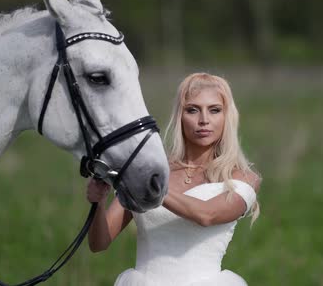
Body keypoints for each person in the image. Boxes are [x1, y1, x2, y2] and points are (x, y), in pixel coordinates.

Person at [86, 72, 261, 286]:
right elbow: (99, 243)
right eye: (192, 110)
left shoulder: (243, 178)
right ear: (180, 115)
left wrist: (147, 183)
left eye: (214, 110)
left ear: (227, 117)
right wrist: (98, 201)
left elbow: (205, 215)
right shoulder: (152, 172)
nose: (203, 120)